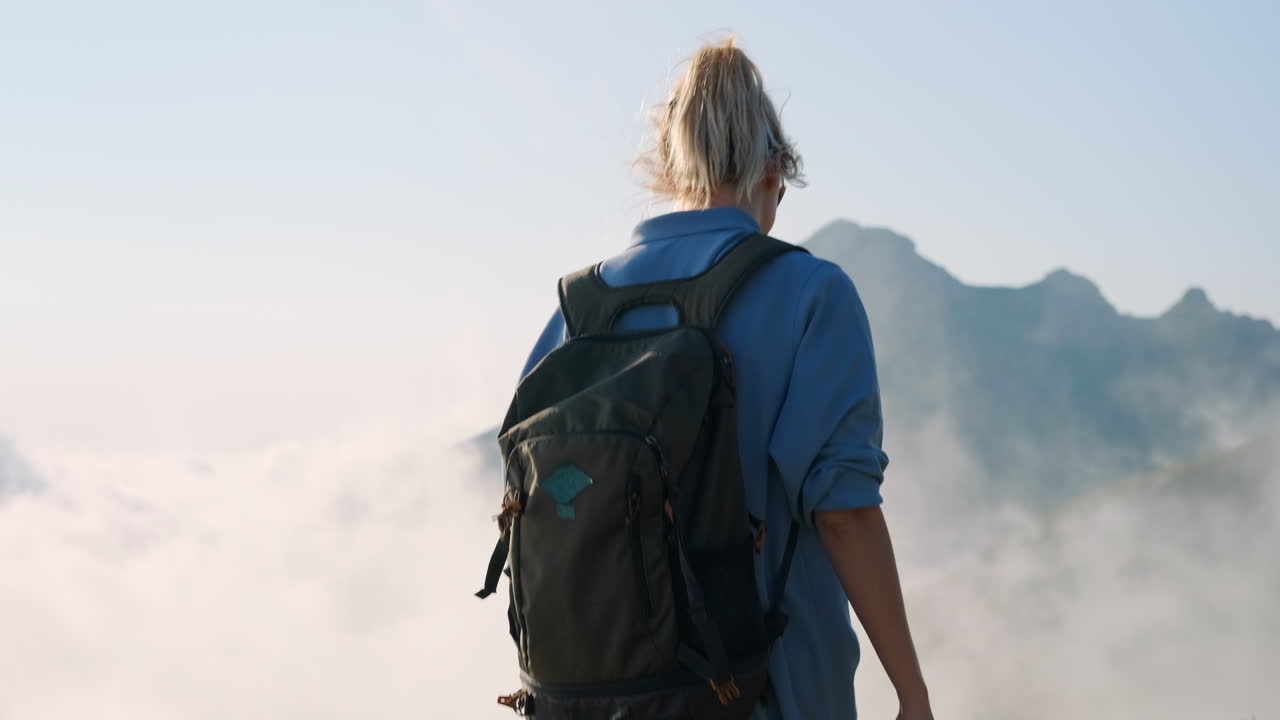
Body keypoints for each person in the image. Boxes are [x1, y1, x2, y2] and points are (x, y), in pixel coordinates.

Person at [517, 36, 934, 720]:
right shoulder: (811, 293)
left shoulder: (578, 308)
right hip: (765, 693)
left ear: (667, 165)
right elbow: (845, 512)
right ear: (776, 167)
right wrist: (912, 694)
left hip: (589, 700)